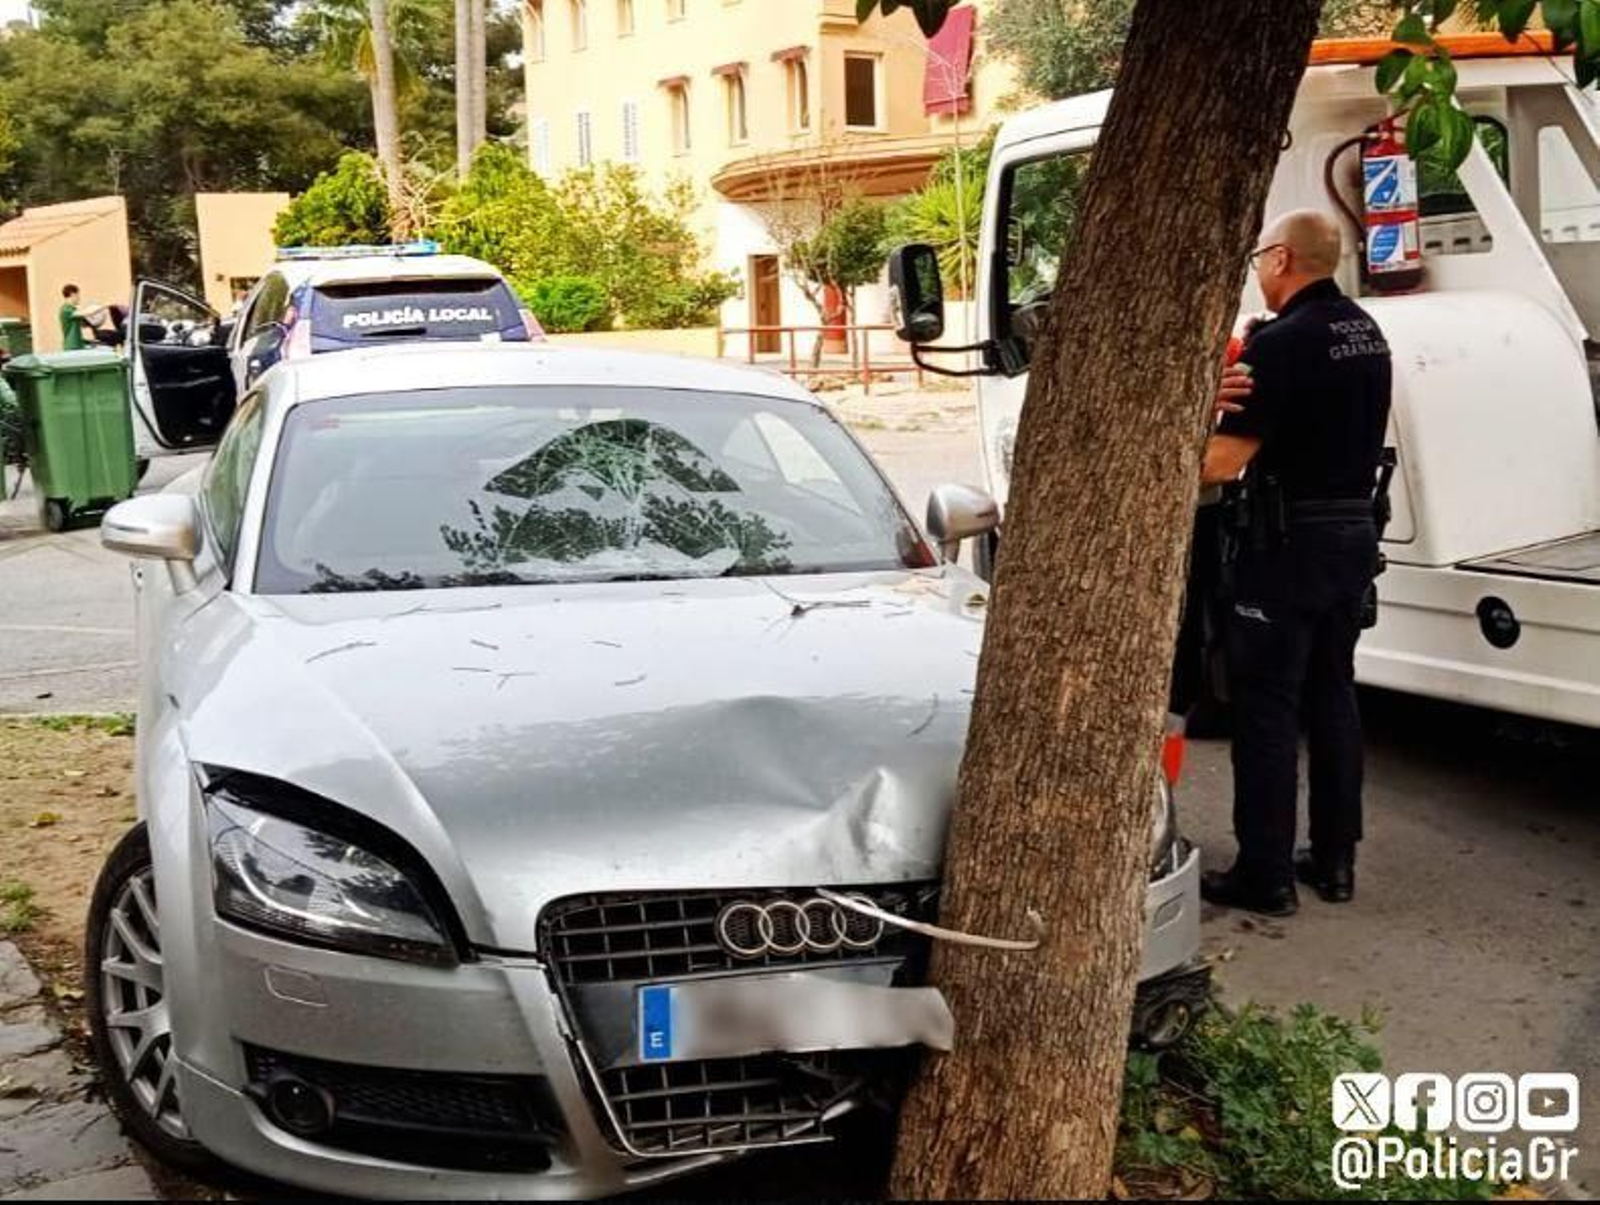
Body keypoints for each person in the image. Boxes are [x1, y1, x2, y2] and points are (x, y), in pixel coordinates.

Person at [1197, 209, 1393, 918]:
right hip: (1350, 539)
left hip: (1284, 547)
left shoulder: (1278, 345)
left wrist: (1188, 425)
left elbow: (1222, 462)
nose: (1255, 268)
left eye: (1258, 256)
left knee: (1266, 706)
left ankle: (1266, 872)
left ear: (1281, 259)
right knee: (1333, 692)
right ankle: (1336, 858)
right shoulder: (1364, 332)